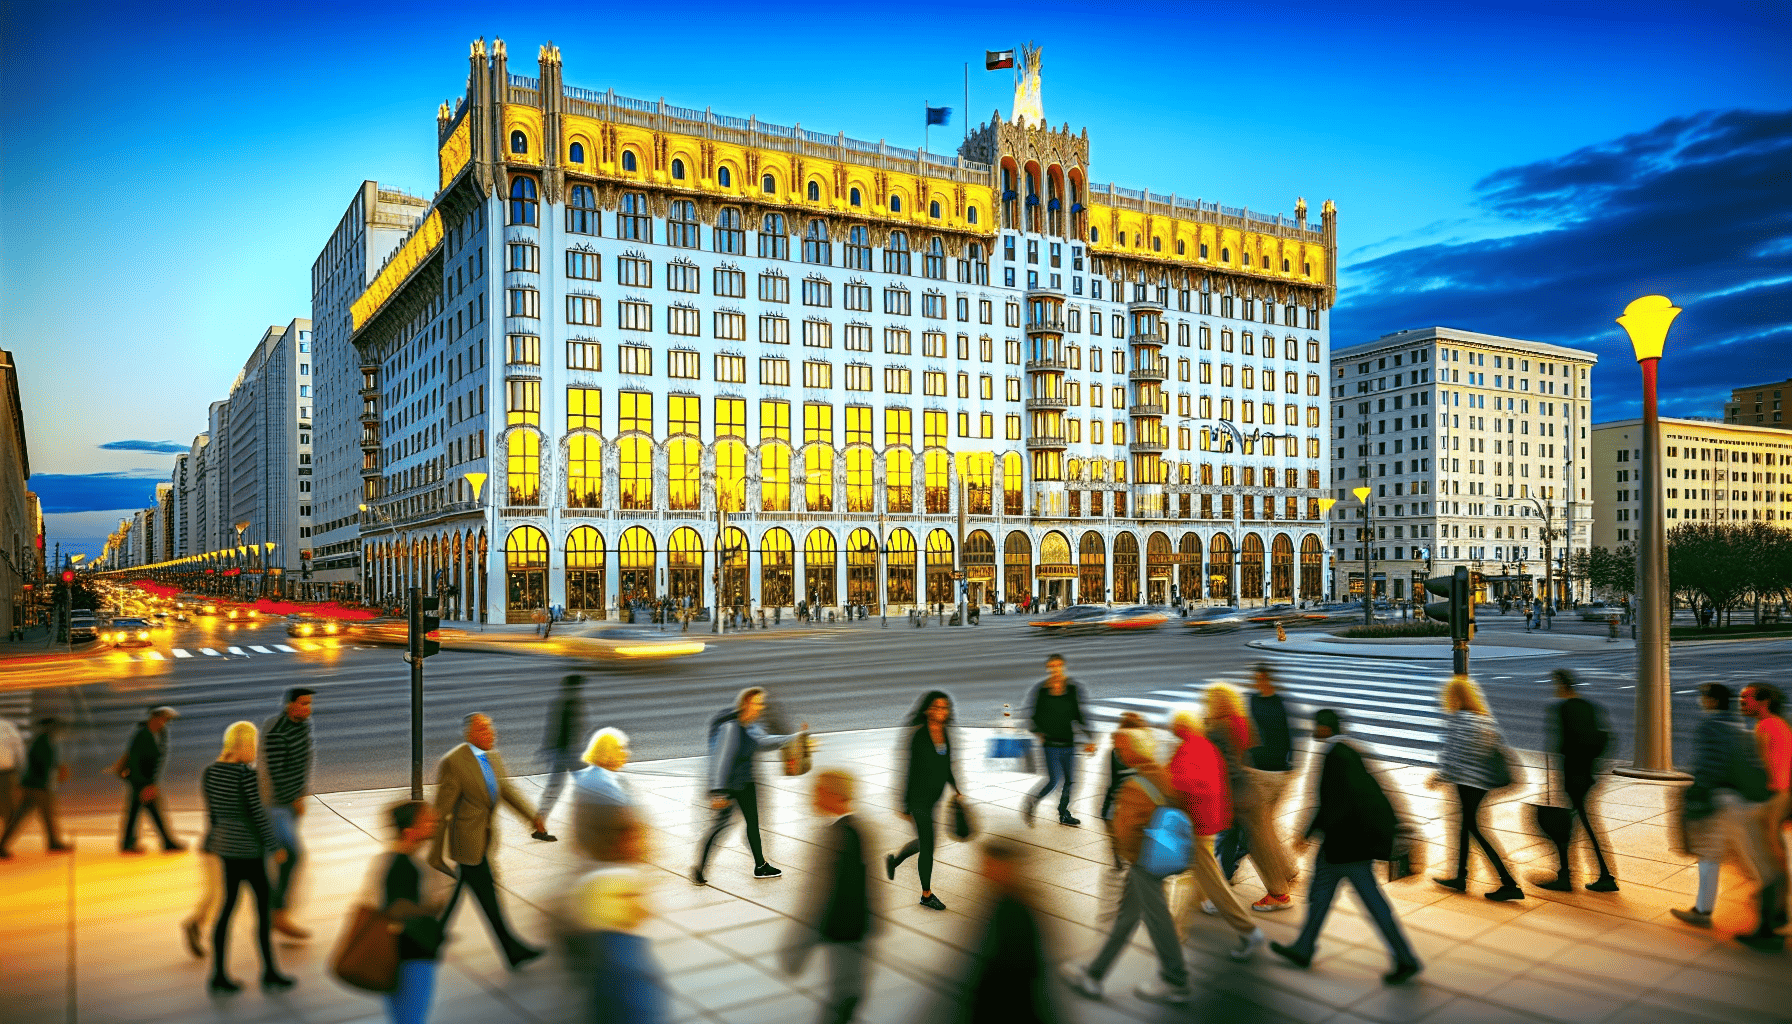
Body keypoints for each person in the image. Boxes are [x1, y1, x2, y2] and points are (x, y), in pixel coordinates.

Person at [1269, 709, 1422, 985]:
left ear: (1325, 728)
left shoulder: (1335, 756)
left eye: (1316, 726)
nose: (1314, 730)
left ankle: (1405, 958)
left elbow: (1334, 803)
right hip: (1351, 844)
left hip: (1343, 847)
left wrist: (1309, 832)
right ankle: (1304, 947)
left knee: (1364, 901)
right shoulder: (1347, 750)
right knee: (1324, 895)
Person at [1059, 725, 1194, 1006]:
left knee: (1157, 918)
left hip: (1143, 861)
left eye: (1122, 748)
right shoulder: (1161, 772)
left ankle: (1175, 979)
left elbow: (1125, 830)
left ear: (1134, 750)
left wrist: (1127, 854)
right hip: (1160, 855)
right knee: (1127, 916)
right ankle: (1094, 973)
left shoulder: (1135, 785)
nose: (1118, 752)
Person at [430, 713, 547, 969]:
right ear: (470, 734)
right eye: (483, 729)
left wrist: (532, 818)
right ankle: (511, 949)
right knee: (487, 894)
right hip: (466, 843)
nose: (491, 733)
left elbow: (504, 790)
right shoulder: (455, 762)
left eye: (491, 728)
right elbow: (441, 810)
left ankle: (432, 935)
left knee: (464, 885)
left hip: (484, 839)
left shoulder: (492, 757)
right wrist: (435, 851)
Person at [1672, 684, 1782, 950]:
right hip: (1739, 800)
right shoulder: (1740, 728)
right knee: (1712, 854)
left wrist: (1697, 793)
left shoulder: (1711, 728)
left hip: (1723, 802)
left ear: (1710, 701)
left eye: (1703, 697)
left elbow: (1711, 765)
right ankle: (1703, 910)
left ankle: (1770, 916)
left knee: (1747, 862)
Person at [202, 721, 293, 994]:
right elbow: (258, 815)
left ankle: (218, 974)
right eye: (253, 744)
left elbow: (213, 813)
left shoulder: (211, 772)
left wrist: (213, 840)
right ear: (244, 745)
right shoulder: (246, 775)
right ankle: (270, 972)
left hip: (226, 849)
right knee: (262, 912)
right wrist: (274, 846)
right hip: (249, 852)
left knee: (226, 908)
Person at [1167, 707, 1263, 960]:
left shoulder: (1188, 749)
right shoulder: (1205, 745)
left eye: (1176, 725)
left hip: (1197, 826)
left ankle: (1249, 931)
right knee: (1192, 878)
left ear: (1182, 727)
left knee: (1214, 883)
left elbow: (1183, 784)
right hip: (1210, 822)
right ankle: (1177, 927)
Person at [692, 687, 807, 884]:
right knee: (719, 828)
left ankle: (760, 866)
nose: (761, 707)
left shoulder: (752, 727)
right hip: (728, 786)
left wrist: (792, 738)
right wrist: (718, 792)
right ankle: (699, 869)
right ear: (746, 704)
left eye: (762, 703)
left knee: (753, 826)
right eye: (758, 703)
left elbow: (763, 742)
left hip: (746, 782)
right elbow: (721, 760)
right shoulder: (730, 729)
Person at [564, 804, 665, 1024]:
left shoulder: (590, 880)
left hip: (603, 956)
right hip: (621, 951)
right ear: (616, 843)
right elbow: (638, 913)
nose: (641, 844)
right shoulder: (617, 880)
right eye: (633, 838)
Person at [787, 770, 872, 1024]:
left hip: (844, 933)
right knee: (847, 994)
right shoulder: (856, 829)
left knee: (844, 997)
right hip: (853, 931)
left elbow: (821, 895)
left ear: (834, 796)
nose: (812, 797)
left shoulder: (837, 835)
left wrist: (800, 945)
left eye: (818, 791)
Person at [1205, 682, 1295, 913]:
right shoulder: (1239, 721)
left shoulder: (1217, 727)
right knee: (1255, 840)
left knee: (1255, 844)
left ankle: (1278, 894)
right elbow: (1247, 753)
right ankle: (1281, 880)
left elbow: (1224, 765)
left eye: (1209, 700)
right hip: (1247, 789)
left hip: (1237, 794)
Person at [1430, 675, 1522, 901]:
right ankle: (1460, 877)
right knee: (1466, 827)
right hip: (1482, 783)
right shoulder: (1483, 718)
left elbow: (1453, 753)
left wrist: (1440, 775)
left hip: (1467, 782)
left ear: (1454, 697)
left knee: (1475, 830)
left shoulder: (1459, 720)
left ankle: (1509, 882)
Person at [947, 840, 1059, 1024]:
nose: (982, 870)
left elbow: (1014, 968)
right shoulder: (1001, 903)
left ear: (1005, 868)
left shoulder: (1013, 910)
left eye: (989, 865)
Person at [367, 800, 450, 1024]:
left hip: (401, 954)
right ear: (410, 832)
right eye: (426, 819)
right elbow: (397, 908)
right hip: (412, 955)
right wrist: (431, 908)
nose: (433, 821)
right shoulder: (403, 866)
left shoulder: (398, 861)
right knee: (411, 1017)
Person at [1540, 670, 1618, 893]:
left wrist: (1558, 778)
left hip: (1572, 776)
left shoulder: (1563, 708)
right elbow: (1601, 737)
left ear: (1561, 684)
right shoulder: (1589, 706)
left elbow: (1562, 746)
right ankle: (1597, 874)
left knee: (1571, 828)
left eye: (1555, 683)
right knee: (1582, 825)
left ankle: (1570, 877)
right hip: (1586, 775)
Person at [886, 691, 961, 911]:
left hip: (934, 798)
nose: (941, 711)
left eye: (945, 707)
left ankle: (894, 860)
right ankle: (926, 895)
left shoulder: (944, 733)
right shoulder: (919, 736)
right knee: (928, 846)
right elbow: (909, 771)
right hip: (918, 799)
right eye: (936, 707)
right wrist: (904, 804)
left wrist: (956, 788)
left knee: (924, 842)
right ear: (927, 709)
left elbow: (947, 765)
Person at [262, 686, 315, 939]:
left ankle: (272, 910)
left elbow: (302, 763)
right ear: (289, 705)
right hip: (276, 805)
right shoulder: (277, 732)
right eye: (303, 704)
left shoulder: (303, 727)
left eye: (309, 704)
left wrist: (301, 793)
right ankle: (277, 914)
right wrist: (293, 797)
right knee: (292, 855)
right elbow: (276, 772)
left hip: (291, 803)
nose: (308, 708)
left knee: (280, 857)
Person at [1021, 654, 1095, 826]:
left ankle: (1064, 814)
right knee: (1053, 781)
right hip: (1050, 745)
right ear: (1048, 668)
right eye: (1052, 666)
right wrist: (1039, 732)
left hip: (1069, 743)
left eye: (1058, 665)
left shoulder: (1073, 689)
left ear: (1064, 667)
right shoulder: (1041, 690)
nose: (1055, 669)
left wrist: (1090, 737)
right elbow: (1032, 717)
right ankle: (1032, 802)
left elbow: (1080, 714)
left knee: (1069, 782)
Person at [1741, 683, 1791, 935]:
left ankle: (1768, 923)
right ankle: (1779, 912)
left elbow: (1764, 767)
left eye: (1746, 698)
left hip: (1772, 797)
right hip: (1781, 795)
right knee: (1776, 856)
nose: (1742, 702)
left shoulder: (1767, 726)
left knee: (1768, 859)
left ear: (1763, 701)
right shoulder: (1780, 724)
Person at [0, 716, 71, 857]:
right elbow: (44, 764)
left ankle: (53, 842)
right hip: (38, 786)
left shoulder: (43, 741)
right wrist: (56, 772)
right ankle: (53, 843)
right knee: (24, 818)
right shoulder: (43, 742)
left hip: (35, 785)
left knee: (43, 816)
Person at [120, 705, 185, 853]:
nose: (165, 723)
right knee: (147, 811)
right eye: (163, 719)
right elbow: (134, 762)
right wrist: (144, 785)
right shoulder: (141, 735)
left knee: (138, 811)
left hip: (149, 781)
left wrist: (153, 783)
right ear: (154, 718)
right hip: (139, 780)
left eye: (166, 720)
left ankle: (128, 843)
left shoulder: (162, 734)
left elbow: (160, 760)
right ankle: (166, 842)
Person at [536, 674, 588, 841]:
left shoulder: (560, 702)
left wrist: (547, 749)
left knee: (553, 790)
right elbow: (571, 731)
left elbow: (553, 729)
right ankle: (592, 825)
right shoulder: (574, 703)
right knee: (587, 786)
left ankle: (539, 824)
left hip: (561, 753)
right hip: (567, 754)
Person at [574, 727, 632, 812]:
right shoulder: (616, 782)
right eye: (620, 748)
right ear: (608, 752)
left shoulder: (583, 777)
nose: (626, 753)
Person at [0, 714, 24, 832]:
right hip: (6, 773)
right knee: (8, 809)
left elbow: (19, 750)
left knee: (9, 808)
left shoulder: (7, 727)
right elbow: (19, 750)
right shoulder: (8, 727)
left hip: (6, 773)